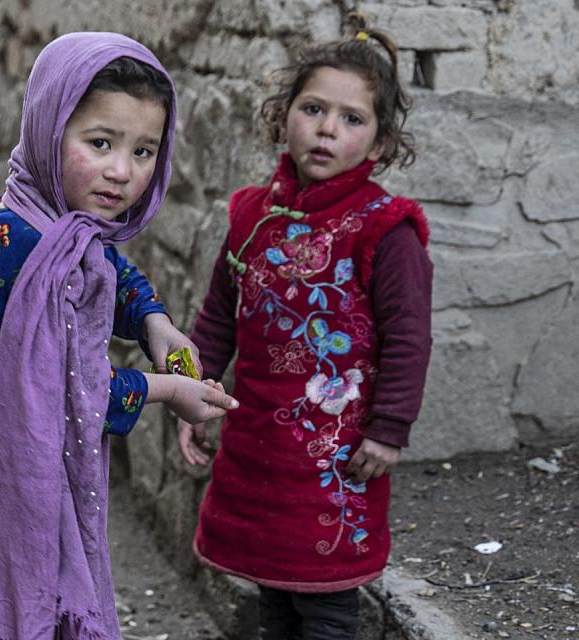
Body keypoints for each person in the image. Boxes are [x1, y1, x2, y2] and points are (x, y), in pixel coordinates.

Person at [0, 31, 238, 640]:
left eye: (145, 151)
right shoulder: (17, 244)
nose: (123, 171)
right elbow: (72, 392)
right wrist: (167, 390)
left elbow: (112, 271)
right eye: (100, 143)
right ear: (48, 128)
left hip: (2, 447)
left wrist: (154, 321)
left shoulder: (62, 226)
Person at [178, 22, 434, 640]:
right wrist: (190, 390)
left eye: (353, 119)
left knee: (326, 605)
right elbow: (218, 317)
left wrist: (389, 429)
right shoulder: (250, 214)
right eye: (314, 109)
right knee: (272, 592)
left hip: (338, 454)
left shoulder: (384, 229)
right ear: (282, 117)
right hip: (257, 440)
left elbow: (409, 337)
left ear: (379, 145)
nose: (327, 129)